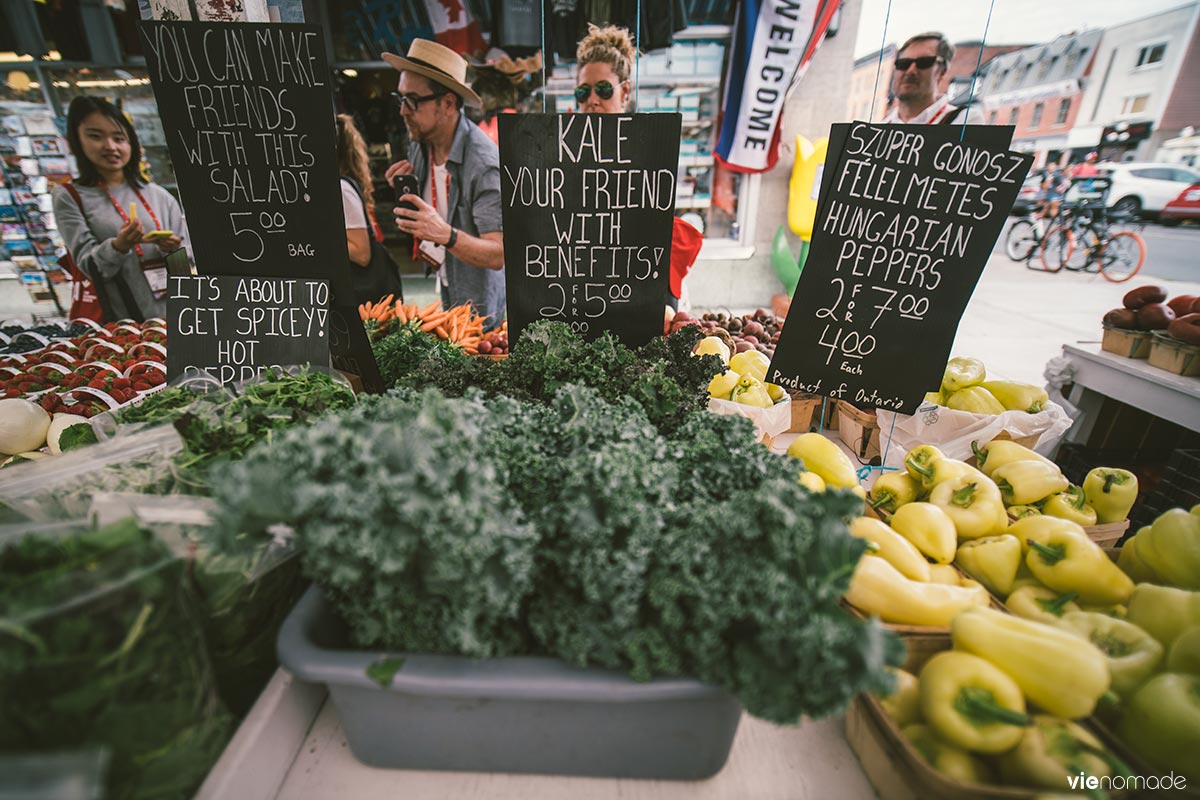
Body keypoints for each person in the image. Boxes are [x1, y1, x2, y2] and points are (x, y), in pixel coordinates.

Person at [575, 24, 702, 310]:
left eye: (604, 89)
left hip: (642, 284)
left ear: (625, 91)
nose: (592, 100)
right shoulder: (563, 154)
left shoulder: (650, 149)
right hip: (582, 285)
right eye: (583, 92)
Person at [382, 39, 505, 329]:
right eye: (400, 99)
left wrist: (445, 234)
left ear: (448, 103)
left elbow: (498, 253)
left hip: (480, 302)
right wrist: (405, 192)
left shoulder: (484, 164)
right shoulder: (421, 143)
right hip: (443, 275)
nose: (403, 112)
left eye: (412, 101)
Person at [53, 96, 188, 321]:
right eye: (95, 136)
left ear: (131, 143)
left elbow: (184, 267)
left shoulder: (158, 195)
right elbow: (88, 267)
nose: (110, 146)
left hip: (173, 316)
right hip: (121, 324)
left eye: (119, 138)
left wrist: (171, 250)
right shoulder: (69, 196)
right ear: (76, 140)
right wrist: (119, 245)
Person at [336, 113, 403, 304]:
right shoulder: (342, 187)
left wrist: (321, 244)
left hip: (363, 300)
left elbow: (362, 253)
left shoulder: (342, 189)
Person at [881, 32, 986, 126]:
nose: (911, 70)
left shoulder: (963, 121)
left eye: (924, 62)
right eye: (903, 63)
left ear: (942, 71)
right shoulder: (882, 128)